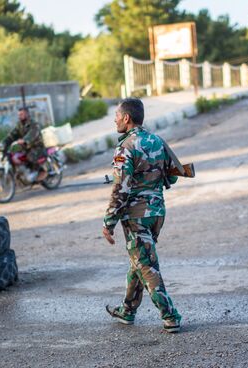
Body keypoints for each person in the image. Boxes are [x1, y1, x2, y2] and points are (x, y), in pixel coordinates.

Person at [102, 98, 182, 333]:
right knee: (140, 261)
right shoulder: (157, 140)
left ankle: (170, 316)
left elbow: (121, 187)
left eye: (117, 115)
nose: (114, 119)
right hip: (157, 212)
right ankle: (128, 310)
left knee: (146, 266)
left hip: (136, 215)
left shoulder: (126, 146)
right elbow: (175, 173)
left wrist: (109, 221)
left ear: (127, 118)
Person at [0, 107, 47, 182]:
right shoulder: (19, 125)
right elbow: (12, 135)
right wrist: (3, 143)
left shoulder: (34, 124)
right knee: (14, 156)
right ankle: (21, 173)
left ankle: (41, 171)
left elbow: (33, 134)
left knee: (30, 156)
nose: (19, 116)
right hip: (26, 148)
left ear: (27, 114)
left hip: (37, 146)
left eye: (22, 114)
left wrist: (25, 140)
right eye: (19, 114)